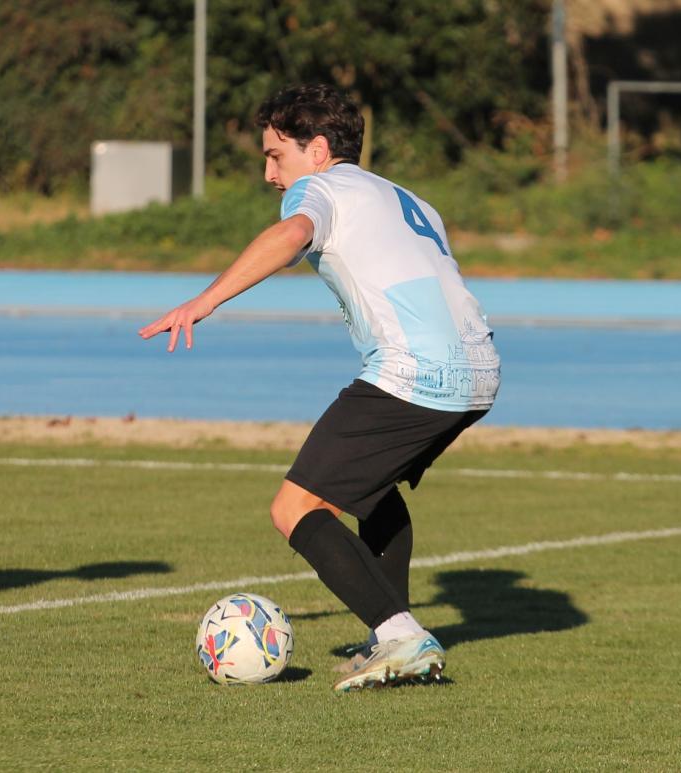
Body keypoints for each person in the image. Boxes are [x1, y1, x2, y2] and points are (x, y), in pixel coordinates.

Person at [139, 83, 500, 692]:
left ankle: (400, 635)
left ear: (319, 149)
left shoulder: (322, 187)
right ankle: (391, 635)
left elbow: (290, 236)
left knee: (294, 508)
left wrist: (203, 301)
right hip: (481, 370)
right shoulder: (406, 196)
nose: (268, 173)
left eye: (275, 155)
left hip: (416, 371)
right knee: (374, 493)